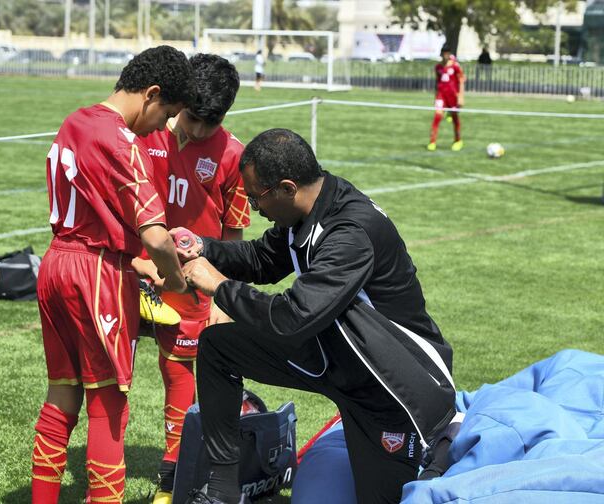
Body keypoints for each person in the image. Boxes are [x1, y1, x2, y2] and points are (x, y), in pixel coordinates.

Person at [174, 128, 460, 504]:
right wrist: (203, 246)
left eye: (256, 198)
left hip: (393, 386)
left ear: (287, 188)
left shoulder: (350, 232)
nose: (255, 210)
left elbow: (293, 317)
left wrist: (220, 287)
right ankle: (221, 490)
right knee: (218, 347)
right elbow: (262, 259)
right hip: (335, 356)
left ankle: (440, 444)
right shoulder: (310, 208)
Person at [30, 45, 196, 504]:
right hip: (96, 274)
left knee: (62, 393)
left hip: (56, 264)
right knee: (108, 406)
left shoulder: (76, 120)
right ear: (152, 94)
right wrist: (176, 282)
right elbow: (158, 237)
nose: (164, 126)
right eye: (168, 114)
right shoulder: (122, 139)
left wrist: (137, 263)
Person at [136, 53, 250, 504]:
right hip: (137, 270)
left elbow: (236, 237)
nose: (198, 130)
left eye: (211, 122)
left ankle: (173, 473)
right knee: (113, 371)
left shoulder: (233, 156)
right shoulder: (147, 132)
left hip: (190, 283)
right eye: (192, 117)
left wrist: (221, 299)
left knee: (178, 370)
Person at [428, 46, 464, 152]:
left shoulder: (455, 66)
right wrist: (436, 96)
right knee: (437, 117)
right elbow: (437, 82)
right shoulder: (438, 67)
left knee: (455, 118)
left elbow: (461, 80)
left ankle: (458, 140)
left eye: (447, 53)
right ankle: (432, 141)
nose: (445, 56)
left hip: (452, 96)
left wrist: (461, 97)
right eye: (444, 53)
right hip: (441, 96)